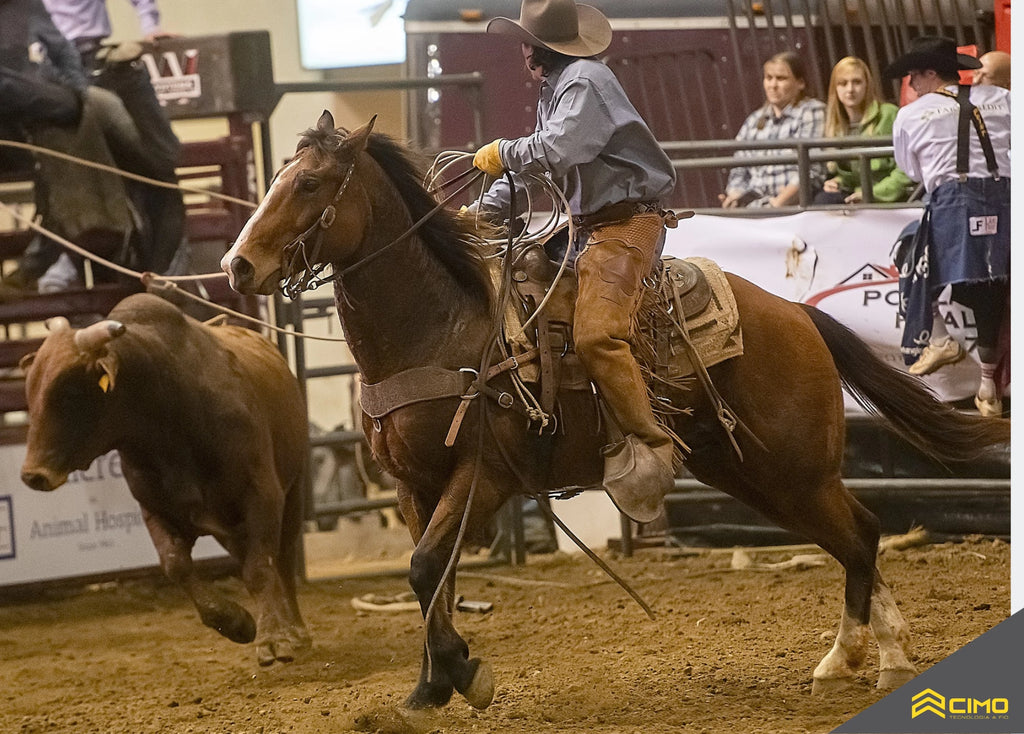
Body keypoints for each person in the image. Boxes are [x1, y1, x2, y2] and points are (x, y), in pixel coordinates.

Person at [470, 0, 678, 523]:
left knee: (595, 335)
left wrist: (504, 151)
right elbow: (535, 171)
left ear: (539, 47)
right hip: (588, 227)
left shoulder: (585, 80)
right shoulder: (560, 88)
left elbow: (557, 151)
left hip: (627, 223)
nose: (521, 52)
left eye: (525, 42)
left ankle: (650, 443)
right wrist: (480, 214)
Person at [885, 36, 1010, 417]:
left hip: (954, 203)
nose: (911, 84)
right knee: (995, 288)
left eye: (913, 76)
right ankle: (989, 385)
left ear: (928, 74)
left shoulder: (910, 114)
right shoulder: (1004, 99)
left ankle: (939, 337)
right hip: (1009, 202)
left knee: (909, 251)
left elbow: (911, 170)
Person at [1, 0, 146, 290]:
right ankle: (78, 249)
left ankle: (78, 250)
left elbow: (62, 50)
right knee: (72, 120)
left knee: (84, 120)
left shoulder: (26, 7)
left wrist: (76, 90)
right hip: (17, 123)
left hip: (42, 114)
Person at [42, 0, 187, 275]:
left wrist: (150, 24)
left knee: (156, 166)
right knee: (153, 164)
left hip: (80, 63)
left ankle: (154, 272)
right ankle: (65, 269)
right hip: (60, 69)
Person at [720, 51, 826, 208]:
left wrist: (778, 203)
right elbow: (738, 169)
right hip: (754, 206)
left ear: (800, 83)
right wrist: (734, 195)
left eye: (781, 78)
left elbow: (811, 170)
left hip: (794, 207)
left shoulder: (812, 112)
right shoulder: (754, 120)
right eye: (769, 78)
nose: (773, 85)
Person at [815, 56, 913, 205]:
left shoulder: (888, 114)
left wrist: (871, 194)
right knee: (823, 200)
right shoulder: (835, 125)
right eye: (843, 83)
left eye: (857, 82)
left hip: (889, 197)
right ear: (835, 88)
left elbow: (905, 170)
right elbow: (853, 177)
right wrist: (838, 182)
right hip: (856, 195)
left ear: (867, 85)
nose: (850, 89)